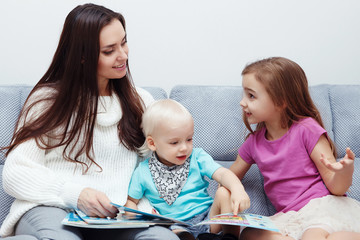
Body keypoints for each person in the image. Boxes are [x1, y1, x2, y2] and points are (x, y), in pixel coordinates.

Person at [0, 3, 180, 240]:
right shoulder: (47, 101)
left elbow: (152, 170)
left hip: (119, 216)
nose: (123, 55)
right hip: (55, 209)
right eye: (109, 51)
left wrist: (148, 208)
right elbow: (15, 172)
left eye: (124, 42)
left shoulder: (141, 101)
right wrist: (75, 194)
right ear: (82, 56)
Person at [228, 57, 360, 240]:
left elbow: (336, 186)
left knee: (311, 236)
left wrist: (345, 172)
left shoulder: (307, 129)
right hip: (289, 216)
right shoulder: (253, 143)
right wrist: (232, 188)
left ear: (281, 101)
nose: (242, 102)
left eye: (251, 96)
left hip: (321, 208)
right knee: (250, 234)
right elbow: (229, 175)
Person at [125, 99, 251, 240]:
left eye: (189, 139)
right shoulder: (143, 171)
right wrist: (134, 219)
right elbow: (131, 201)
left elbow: (223, 174)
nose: (184, 148)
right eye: (174, 142)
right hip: (175, 224)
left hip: (208, 218)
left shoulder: (197, 157)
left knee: (224, 192)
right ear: (152, 143)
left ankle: (230, 237)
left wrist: (237, 189)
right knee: (171, 230)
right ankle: (190, 237)